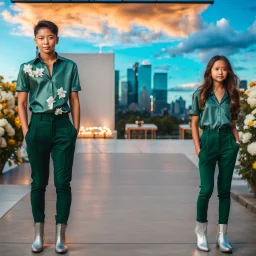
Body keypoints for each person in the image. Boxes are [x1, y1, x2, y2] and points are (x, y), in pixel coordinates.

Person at [16, 20, 81, 254]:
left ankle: (61, 237)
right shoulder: (26, 68)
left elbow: (74, 99)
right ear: (35, 41)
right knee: (38, 183)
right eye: (41, 38)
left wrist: (75, 129)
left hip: (64, 126)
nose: (46, 42)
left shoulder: (70, 66)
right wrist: (26, 131)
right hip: (38, 126)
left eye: (50, 37)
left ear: (57, 39)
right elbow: (21, 103)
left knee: (63, 183)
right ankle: (38, 236)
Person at [190, 55, 240, 253]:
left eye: (224, 69)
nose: (220, 71)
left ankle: (222, 235)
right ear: (210, 71)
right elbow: (194, 123)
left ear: (228, 72)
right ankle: (201, 231)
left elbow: (234, 123)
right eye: (217, 68)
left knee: (225, 191)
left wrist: (236, 141)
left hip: (228, 141)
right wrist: (198, 148)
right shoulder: (200, 94)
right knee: (206, 189)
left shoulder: (233, 95)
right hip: (208, 141)